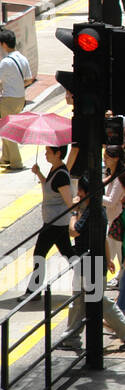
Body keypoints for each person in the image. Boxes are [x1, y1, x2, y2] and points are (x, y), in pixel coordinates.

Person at [27, 145, 77, 294]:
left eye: (48, 151)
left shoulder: (61, 175)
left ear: (58, 153)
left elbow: (69, 202)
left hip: (55, 223)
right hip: (54, 221)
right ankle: (89, 276)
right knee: (68, 252)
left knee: (39, 254)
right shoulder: (54, 170)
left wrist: (77, 204)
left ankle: (32, 291)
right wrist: (39, 173)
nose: (45, 154)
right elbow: (50, 188)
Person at [0, 28, 33, 170]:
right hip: (20, 98)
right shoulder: (22, 58)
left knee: (7, 130)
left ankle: (16, 161)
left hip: (8, 99)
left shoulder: (5, 62)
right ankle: (6, 157)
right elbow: (29, 79)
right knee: (6, 127)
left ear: (4, 44)